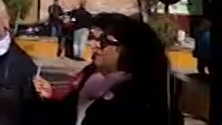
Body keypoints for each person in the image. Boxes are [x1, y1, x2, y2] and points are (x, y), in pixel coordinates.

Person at [32, 12, 184, 124]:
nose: (93, 45)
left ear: (127, 49)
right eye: (93, 38)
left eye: (104, 41)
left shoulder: (141, 99)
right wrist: (45, 99)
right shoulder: (89, 77)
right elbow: (65, 115)